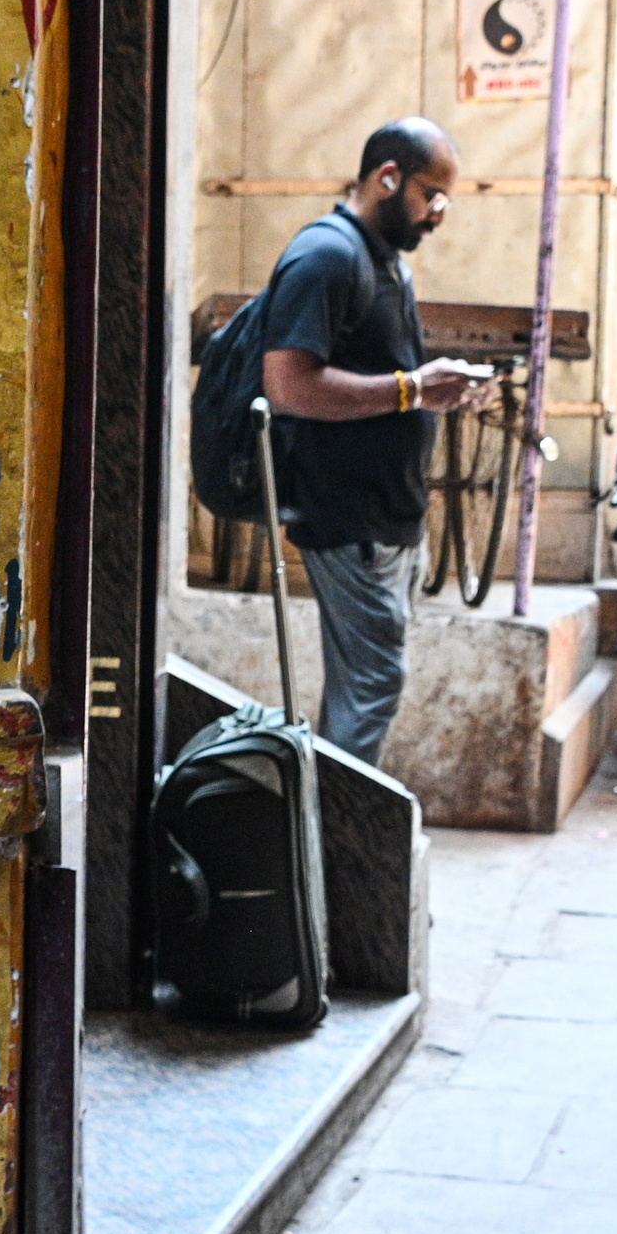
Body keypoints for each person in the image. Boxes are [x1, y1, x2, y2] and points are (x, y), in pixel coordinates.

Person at [258, 117, 490, 765]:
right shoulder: (327, 256)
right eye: (431, 195)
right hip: (349, 519)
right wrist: (414, 390)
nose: (438, 214)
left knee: (364, 687)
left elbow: (386, 378)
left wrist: (438, 389)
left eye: (445, 200)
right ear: (388, 177)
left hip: (387, 520)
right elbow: (288, 385)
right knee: (371, 686)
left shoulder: (384, 262)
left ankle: (331, 819)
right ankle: (339, 823)